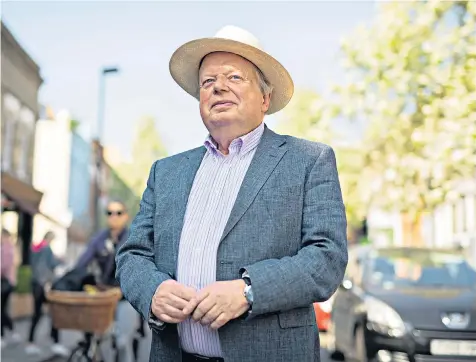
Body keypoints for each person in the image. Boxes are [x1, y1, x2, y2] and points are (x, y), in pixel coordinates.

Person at [116, 25, 348, 362]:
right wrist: (153, 290)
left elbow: (327, 258)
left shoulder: (308, 161)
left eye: (234, 77)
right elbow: (132, 254)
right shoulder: (165, 172)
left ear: (265, 99)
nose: (219, 87)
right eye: (208, 82)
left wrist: (248, 291)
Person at [76, 200, 144, 362]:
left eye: (118, 213)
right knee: (93, 337)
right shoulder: (100, 238)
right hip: (105, 294)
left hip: (125, 296)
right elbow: (83, 260)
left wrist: (125, 288)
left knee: (122, 342)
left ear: (126, 216)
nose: (114, 216)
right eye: (109, 213)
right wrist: (70, 279)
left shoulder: (132, 237)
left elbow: (138, 267)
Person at [27, 231, 69, 357]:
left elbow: (34, 265)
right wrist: (61, 262)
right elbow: (50, 264)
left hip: (35, 284)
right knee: (55, 312)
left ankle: (32, 341)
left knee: (37, 313)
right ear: (49, 238)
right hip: (43, 285)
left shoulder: (36, 248)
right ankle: (55, 342)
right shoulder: (47, 249)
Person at [1, 229, 20, 348]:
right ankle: (12, 330)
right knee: (2, 309)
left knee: (1, 309)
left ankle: (2, 336)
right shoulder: (11, 247)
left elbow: (3, 266)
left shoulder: (6, 248)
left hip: (5, 282)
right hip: (9, 282)